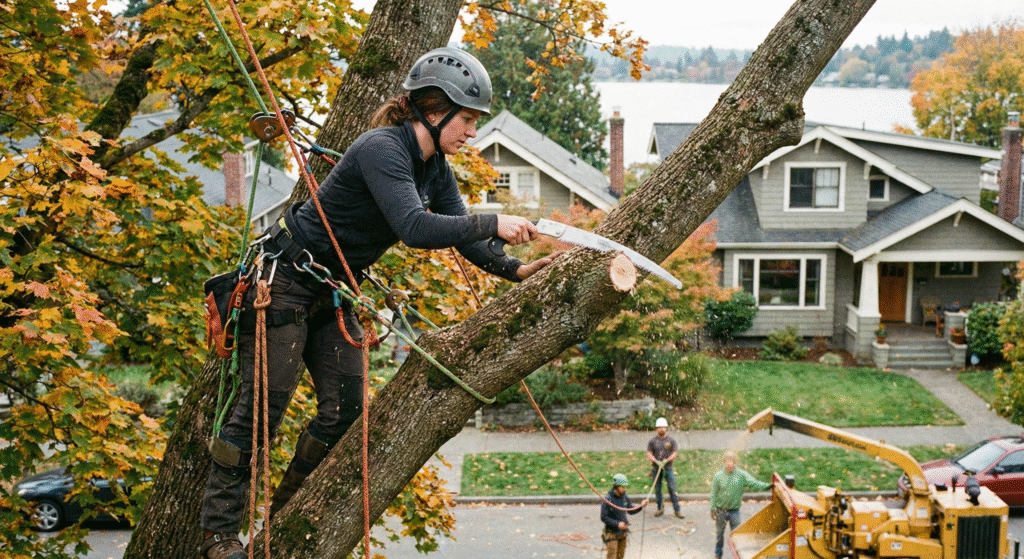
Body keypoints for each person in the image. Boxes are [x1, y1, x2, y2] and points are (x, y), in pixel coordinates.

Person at [199, 47, 559, 559]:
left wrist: (516, 269)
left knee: (345, 411)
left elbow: (464, 237)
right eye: (467, 120)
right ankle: (218, 537)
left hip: (332, 290)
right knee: (260, 414)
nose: (472, 133)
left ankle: (282, 519)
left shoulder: (435, 168)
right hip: (284, 282)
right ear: (433, 112)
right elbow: (415, 227)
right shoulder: (381, 148)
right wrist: (494, 220)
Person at [709, 450, 771, 559]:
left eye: (732, 461)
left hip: (734, 511)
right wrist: (712, 508)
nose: (730, 464)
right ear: (724, 462)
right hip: (720, 510)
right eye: (727, 461)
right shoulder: (718, 476)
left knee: (737, 536)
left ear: (735, 462)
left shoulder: (741, 475)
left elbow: (754, 483)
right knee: (719, 535)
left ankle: (738, 556)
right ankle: (718, 555)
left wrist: (768, 486)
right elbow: (713, 493)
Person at [599, 473, 647, 559]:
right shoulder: (608, 499)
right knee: (612, 557)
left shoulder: (624, 497)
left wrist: (641, 506)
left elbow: (631, 510)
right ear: (616, 486)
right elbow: (603, 517)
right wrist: (617, 524)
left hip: (623, 533)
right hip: (612, 533)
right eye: (622, 487)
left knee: (620, 556)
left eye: (625, 487)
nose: (624, 489)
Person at [645, 416, 682, 518]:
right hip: (656, 468)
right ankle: (660, 508)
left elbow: (675, 453)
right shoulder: (652, 441)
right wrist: (655, 461)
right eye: (659, 427)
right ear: (656, 429)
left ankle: (677, 510)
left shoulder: (671, 440)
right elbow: (649, 453)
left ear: (666, 428)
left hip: (668, 468)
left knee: (672, 488)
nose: (661, 429)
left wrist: (667, 460)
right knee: (658, 489)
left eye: (663, 427)